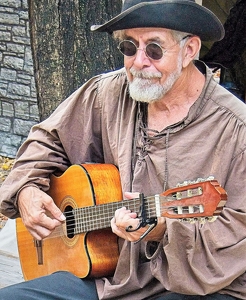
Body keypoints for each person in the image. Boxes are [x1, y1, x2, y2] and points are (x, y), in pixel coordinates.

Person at [0, 0, 246, 299]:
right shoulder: (105, 92)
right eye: (129, 47)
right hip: (105, 275)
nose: (139, 61)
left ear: (189, 50)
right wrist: (27, 190)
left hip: (191, 284)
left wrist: (163, 231)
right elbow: (45, 140)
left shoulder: (236, 128)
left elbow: (238, 229)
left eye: (154, 49)